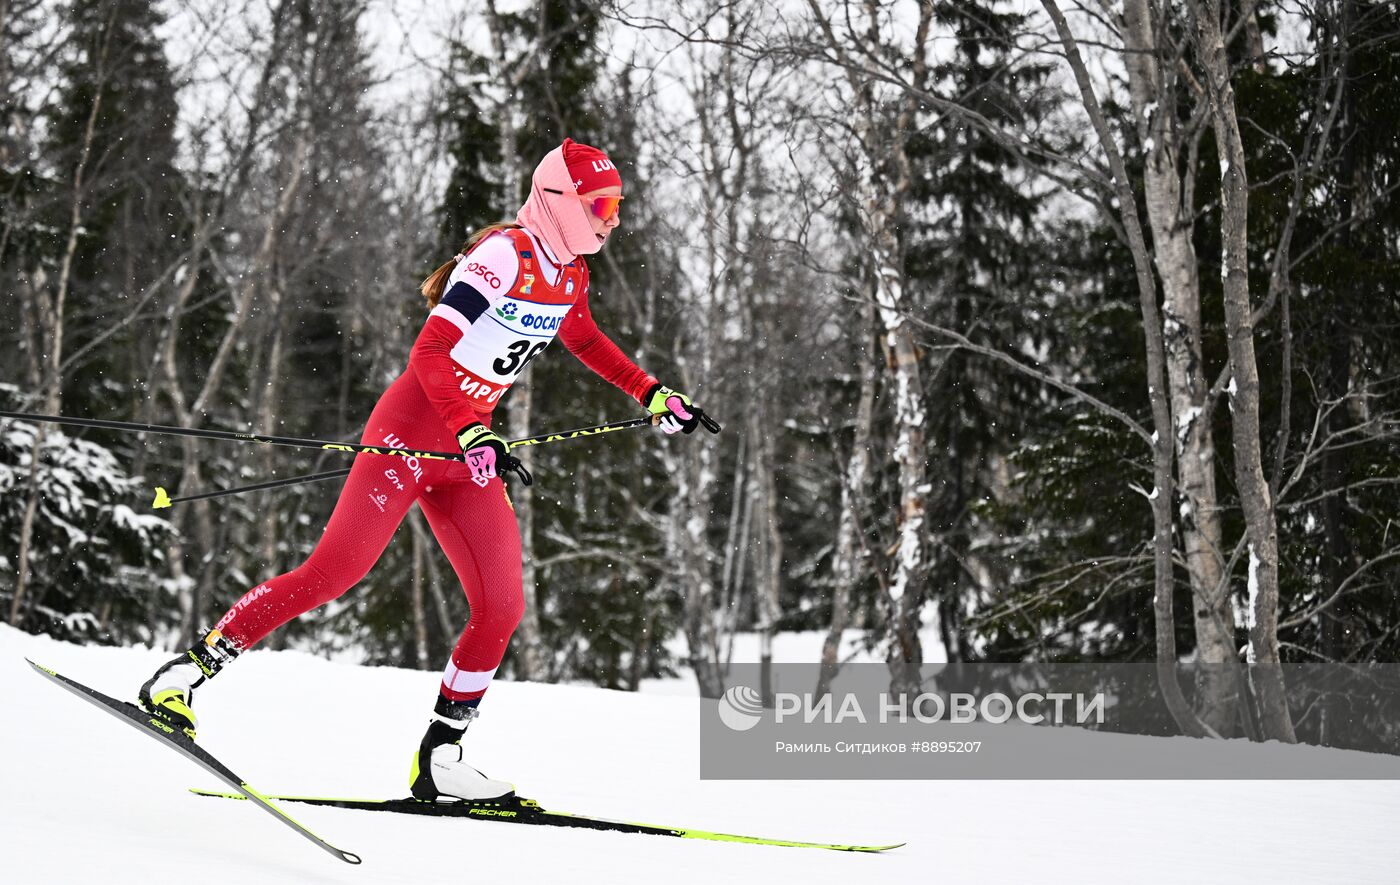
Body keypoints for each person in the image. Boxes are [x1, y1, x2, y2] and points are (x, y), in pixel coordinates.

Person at [136, 139, 709, 802]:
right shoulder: (506, 255)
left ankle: (440, 756)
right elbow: (430, 350)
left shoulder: (570, 273)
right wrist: (469, 426)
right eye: (600, 205)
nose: (611, 219)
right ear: (559, 202)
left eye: (615, 206)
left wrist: (651, 391)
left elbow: (583, 337)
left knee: (501, 606)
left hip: (469, 453)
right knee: (332, 573)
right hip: (413, 432)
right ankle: (180, 675)